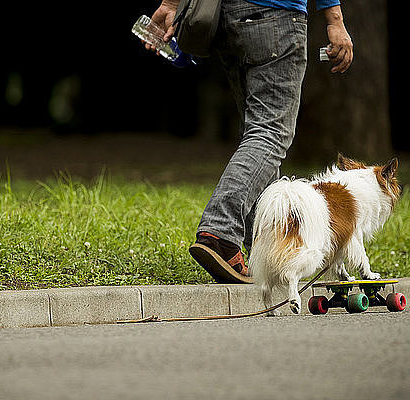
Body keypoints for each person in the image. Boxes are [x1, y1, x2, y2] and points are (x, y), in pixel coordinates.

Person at [145, 0, 353, 283]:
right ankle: (220, 232)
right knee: (270, 133)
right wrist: (335, 21)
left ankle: (266, 252)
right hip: (276, 17)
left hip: (230, 20)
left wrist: (171, 2)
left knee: (258, 133)